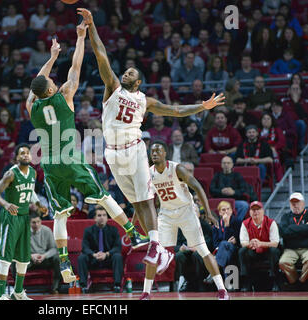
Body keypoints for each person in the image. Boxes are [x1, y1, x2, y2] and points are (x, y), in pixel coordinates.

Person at [78, 8, 225, 276]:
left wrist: (203, 106)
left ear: (139, 81)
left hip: (135, 150)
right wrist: (91, 28)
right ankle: (157, 246)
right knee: (135, 204)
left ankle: (156, 246)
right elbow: (101, 55)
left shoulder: (146, 101)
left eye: (131, 73)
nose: (126, 73)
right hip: (112, 153)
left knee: (146, 200)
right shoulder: (112, 87)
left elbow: (177, 111)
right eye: (126, 71)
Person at [26, 20, 149, 287]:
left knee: (59, 215)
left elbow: (35, 85)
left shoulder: (31, 106)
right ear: (50, 89)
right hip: (70, 159)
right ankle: (133, 233)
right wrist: (80, 38)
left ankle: (63, 261)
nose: (53, 79)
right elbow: (76, 67)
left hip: (48, 164)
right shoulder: (65, 94)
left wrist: (51, 57)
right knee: (103, 197)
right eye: (50, 80)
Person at [141, 142, 228, 300]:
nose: (154, 153)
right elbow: (145, 201)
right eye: (152, 151)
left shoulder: (177, 168)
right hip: (166, 213)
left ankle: (222, 290)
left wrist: (208, 213)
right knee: (152, 251)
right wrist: (135, 219)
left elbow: (198, 187)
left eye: (158, 151)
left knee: (203, 250)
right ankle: (146, 293)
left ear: (165, 153)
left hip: (186, 211)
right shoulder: (149, 173)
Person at [0, 144, 44, 300]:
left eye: (28, 153)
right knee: (6, 255)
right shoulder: (11, 173)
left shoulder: (33, 172)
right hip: (10, 217)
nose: (26, 155)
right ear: (16, 157)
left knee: (23, 256)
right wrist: (6, 204)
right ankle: (1, 294)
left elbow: (31, 192)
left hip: (24, 216)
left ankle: (18, 291)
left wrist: (40, 205)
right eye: (22, 153)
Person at [78, 206, 123, 293]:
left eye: (104, 215)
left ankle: (117, 285)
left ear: (107, 218)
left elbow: (117, 247)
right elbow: (85, 247)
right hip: (94, 259)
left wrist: (106, 254)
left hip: (108, 259)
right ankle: (83, 286)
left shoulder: (113, 230)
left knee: (117, 256)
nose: (102, 217)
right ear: (94, 218)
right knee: (82, 257)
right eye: (99, 215)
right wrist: (93, 254)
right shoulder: (88, 231)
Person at [238, 201, 280, 292]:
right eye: (253, 210)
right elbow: (243, 243)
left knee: (274, 251)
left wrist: (261, 243)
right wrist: (251, 244)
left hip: (267, 251)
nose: (255, 212)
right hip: (252, 250)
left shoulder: (271, 223)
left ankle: (275, 282)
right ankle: (246, 282)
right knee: (242, 251)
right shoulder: (245, 223)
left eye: (258, 209)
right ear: (249, 212)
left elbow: (275, 243)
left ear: (263, 211)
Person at [210, 156, 255, 222]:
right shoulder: (217, 175)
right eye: (224, 163)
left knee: (244, 205)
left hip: (234, 201)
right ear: (221, 165)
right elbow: (211, 189)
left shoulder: (237, 175)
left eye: (228, 163)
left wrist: (234, 192)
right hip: (219, 200)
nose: (226, 165)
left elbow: (243, 190)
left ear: (232, 165)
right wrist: (221, 191)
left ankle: (235, 223)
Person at [278, 192, 308, 286]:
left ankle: (302, 281)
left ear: (303, 203)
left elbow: (288, 231)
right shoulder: (285, 217)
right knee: (283, 262)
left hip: (306, 248)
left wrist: (291, 228)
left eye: (297, 202)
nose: (295, 205)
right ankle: (294, 282)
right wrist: (304, 228)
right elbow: (284, 233)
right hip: (290, 249)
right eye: (292, 203)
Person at [28, 212, 61, 294]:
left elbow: (54, 249)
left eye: (38, 222)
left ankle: (55, 288)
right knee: (16, 261)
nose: (36, 224)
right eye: (33, 222)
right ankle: (18, 289)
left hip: (44, 258)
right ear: (29, 223)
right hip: (29, 259)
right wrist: (31, 256)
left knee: (58, 258)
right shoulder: (24, 232)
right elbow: (19, 250)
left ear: (41, 221)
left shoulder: (47, 230)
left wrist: (44, 256)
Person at [212, 201, 242, 276]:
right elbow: (215, 244)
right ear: (219, 213)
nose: (226, 211)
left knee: (224, 244)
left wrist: (227, 225)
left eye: (228, 209)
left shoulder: (238, 222)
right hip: (222, 251)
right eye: (223, 210)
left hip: (235, 249)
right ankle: (230, 285)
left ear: (232, 211)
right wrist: (226, 243)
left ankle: (215, 270)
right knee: (225, 246)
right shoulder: (216, 225)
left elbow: (239, 239)